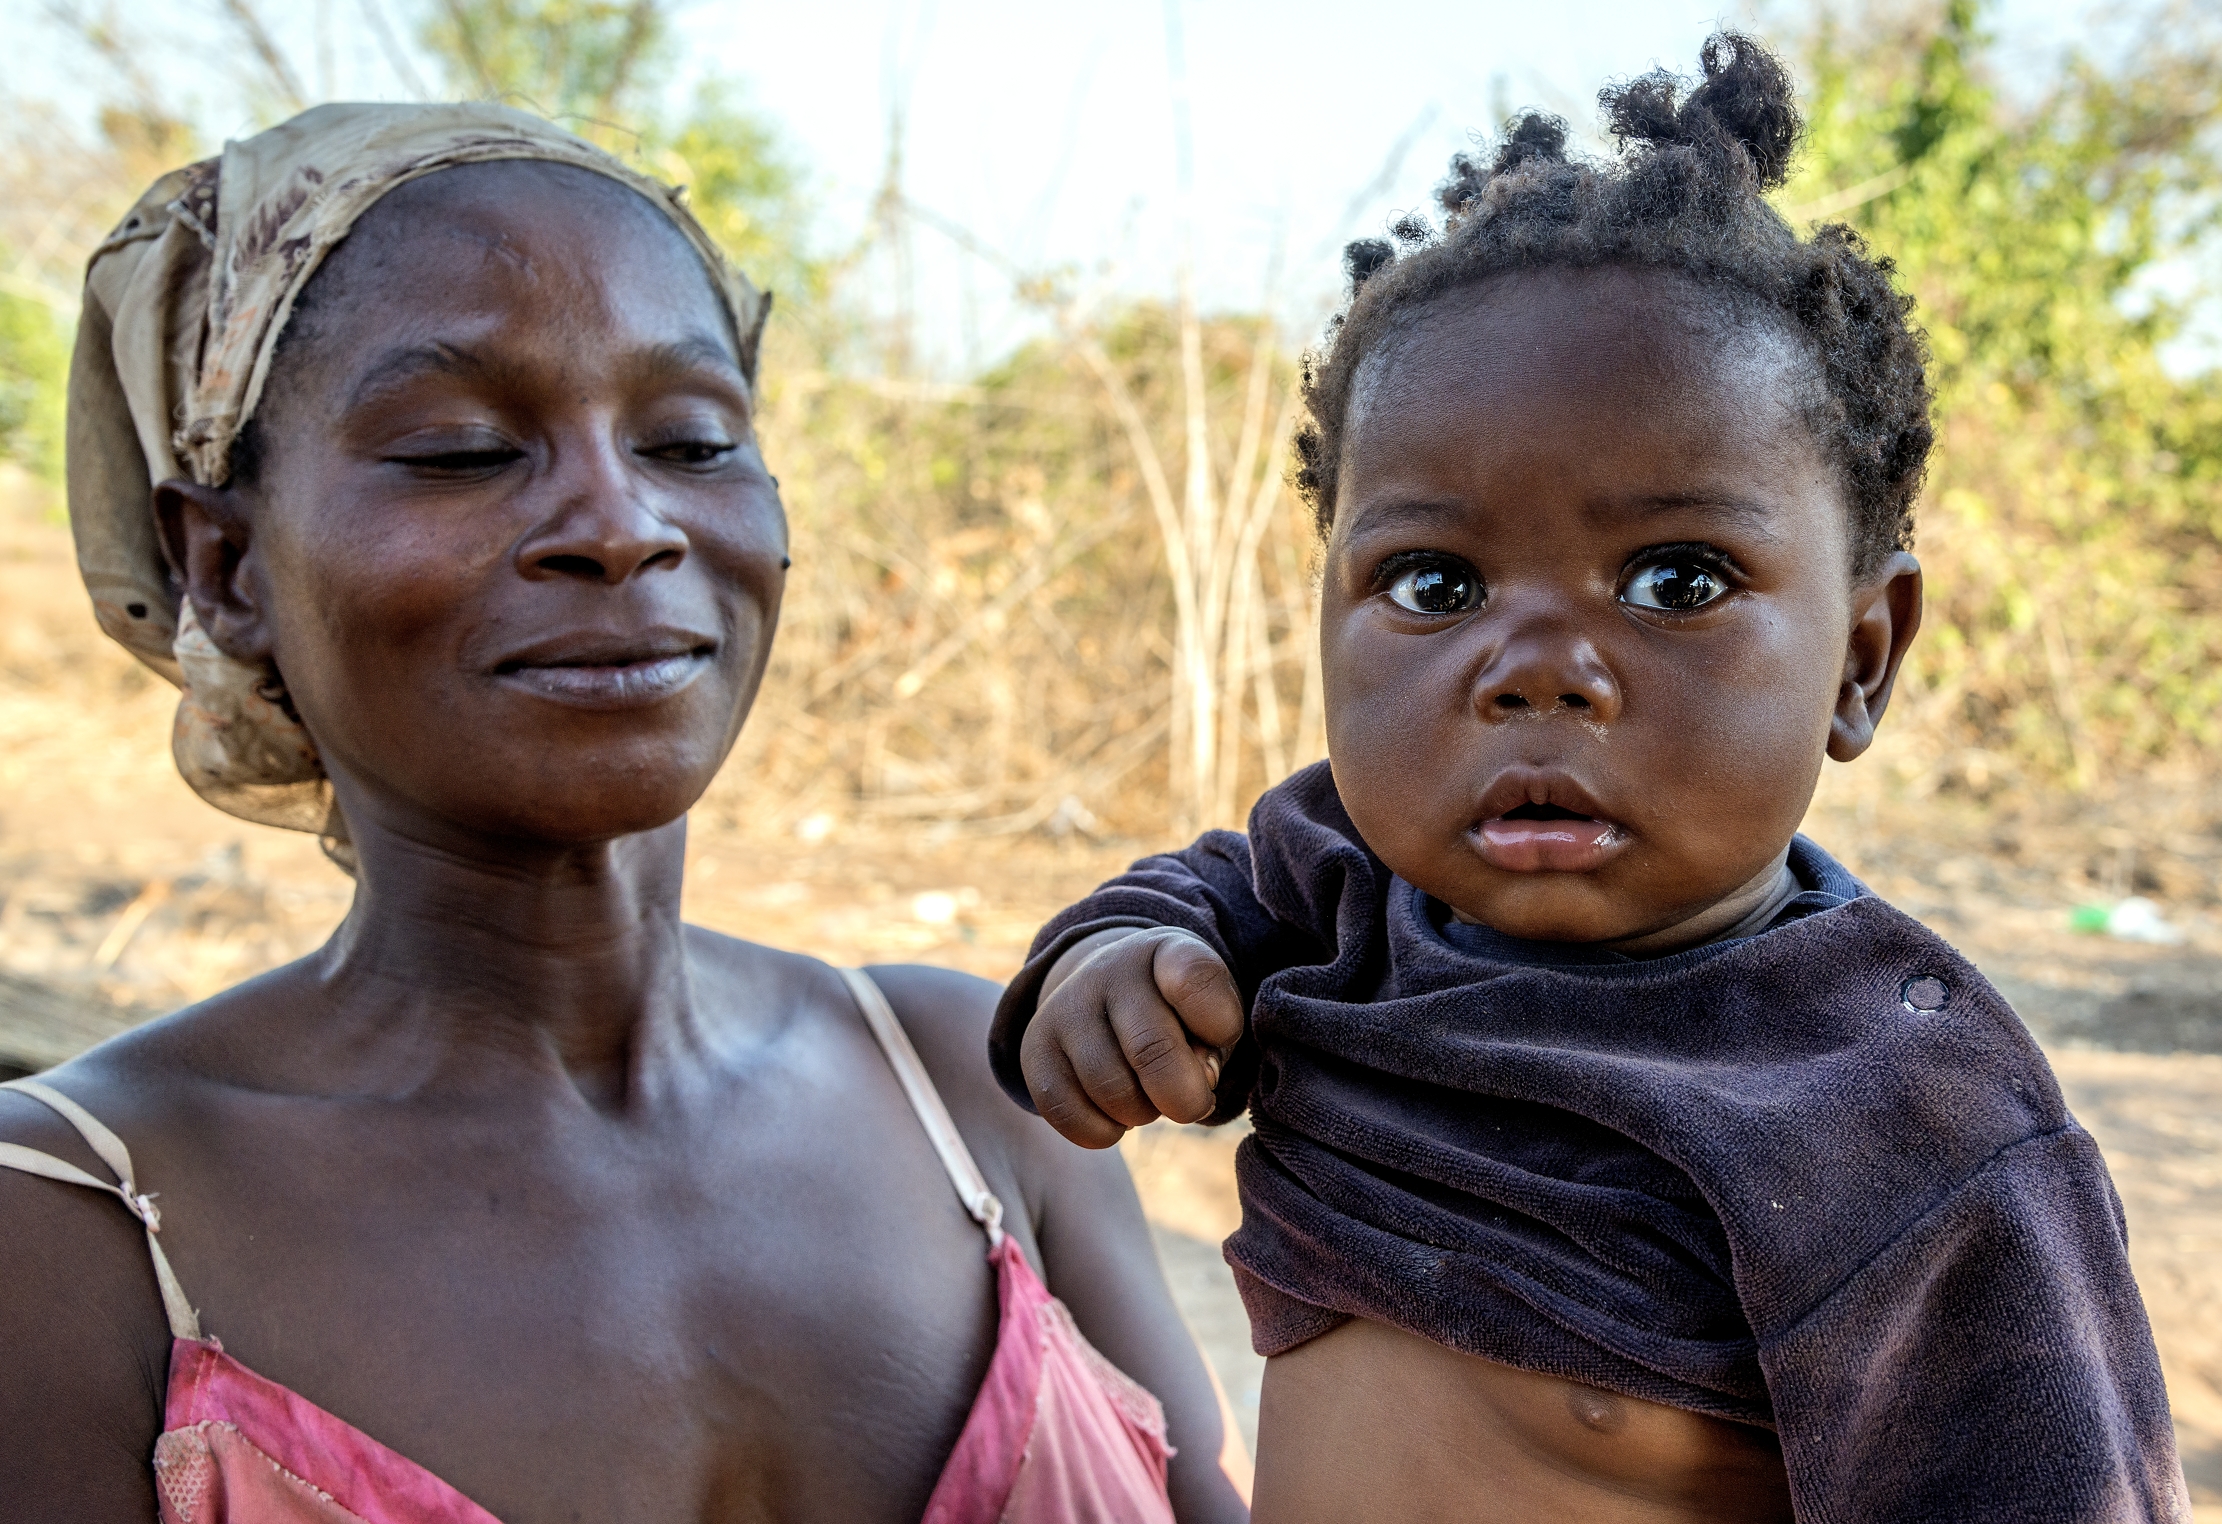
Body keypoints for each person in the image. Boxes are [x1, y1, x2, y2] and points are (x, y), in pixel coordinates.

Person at [987, 35, 2192, 1524]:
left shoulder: (1903, 1125)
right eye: (1433, 583)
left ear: (1861, 656)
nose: (1535, 667)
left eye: (1675, 578)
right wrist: (1113, 959)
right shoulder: (1336, 888)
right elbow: (1208, 889)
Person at [0, 103, 1250, 1524]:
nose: (621, 521)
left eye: (692, 439)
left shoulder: (974, 1088)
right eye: (462, 450)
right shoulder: (67, 1233)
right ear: (221, 566)